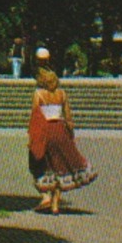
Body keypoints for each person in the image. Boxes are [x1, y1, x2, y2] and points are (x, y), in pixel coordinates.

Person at [28, 67, 98, 215]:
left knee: (38, 164)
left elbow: (35, 117)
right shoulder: (62, 94)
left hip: (45, 132)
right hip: (60, 131)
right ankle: (55, 204)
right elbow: (68, 118)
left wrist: (32, 138)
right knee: (61, 166)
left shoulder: (38, 94)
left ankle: (46, 196)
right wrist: (70, 135)